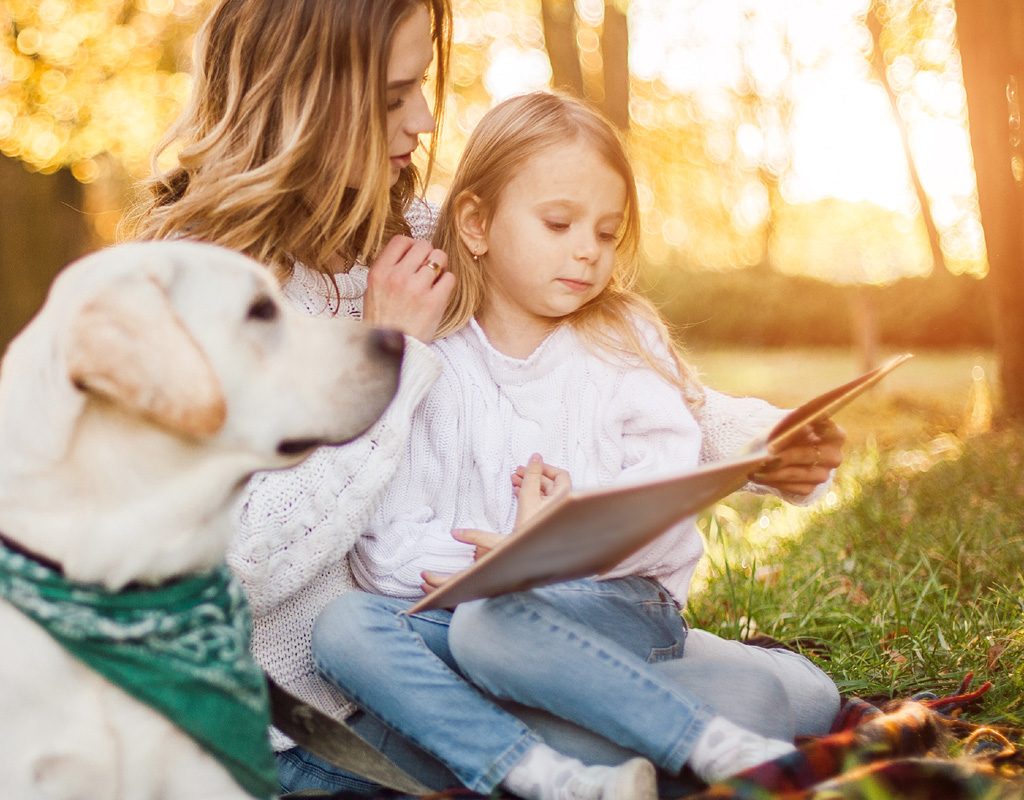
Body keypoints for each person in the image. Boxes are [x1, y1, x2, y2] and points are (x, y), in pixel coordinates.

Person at [130, 0, 842, 794]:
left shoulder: (412, 230)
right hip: (311, 728)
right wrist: (388, 360)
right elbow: (242, 561)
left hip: (464, 643)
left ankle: (671, 718)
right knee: (759, 703)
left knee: (780, 697)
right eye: (395, 96)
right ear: (310, 100)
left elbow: (600, 358)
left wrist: (758, 442)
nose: (427, 120)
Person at [311, 92, 841, 800]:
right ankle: (550, 773)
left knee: (492, 626)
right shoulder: (431, 358)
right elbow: (385, 556)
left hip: (616, 608)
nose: (588, 250)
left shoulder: (623, 340)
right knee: (345, 628)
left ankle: (714, 742)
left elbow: (664, 509)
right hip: (456, 622)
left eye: (607, 231)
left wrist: (546, 555)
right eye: (559, 224)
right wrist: (496, 563)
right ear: (475, 223)